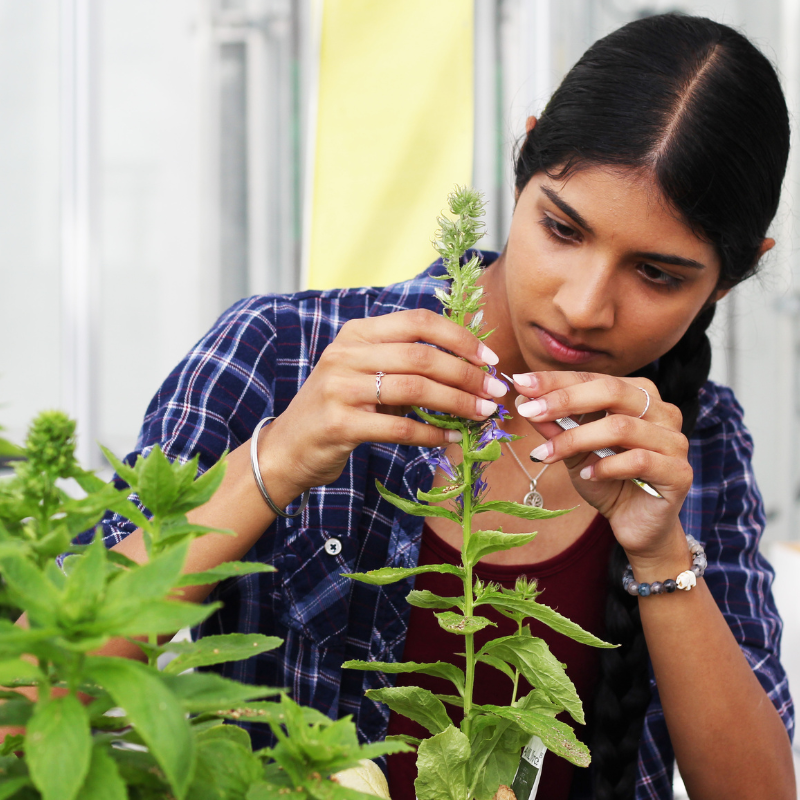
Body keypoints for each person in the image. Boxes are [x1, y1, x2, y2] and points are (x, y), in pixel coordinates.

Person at [81, 13, 794, 800]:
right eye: (562, 228)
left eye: (657, 275)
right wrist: (278, 459)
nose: (586, 305)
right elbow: (38, 692)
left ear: (729, 279)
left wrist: (663, 560)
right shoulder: (280, 353)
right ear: (522, 165)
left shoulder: (695, 434)